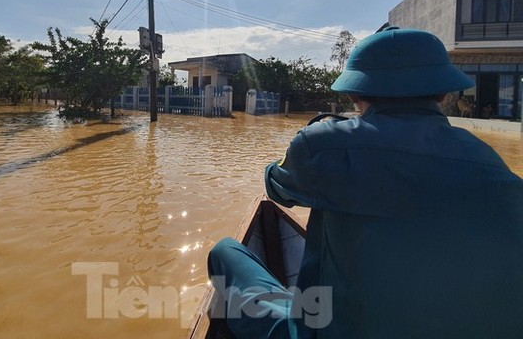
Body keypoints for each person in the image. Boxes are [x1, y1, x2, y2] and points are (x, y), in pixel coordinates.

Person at [207, 27, 523, 338]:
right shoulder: (489, 161)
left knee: (225, 253)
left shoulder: (324, 144)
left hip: (326, 329)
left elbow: (275, 188)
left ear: (354, 92)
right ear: (443, 92)